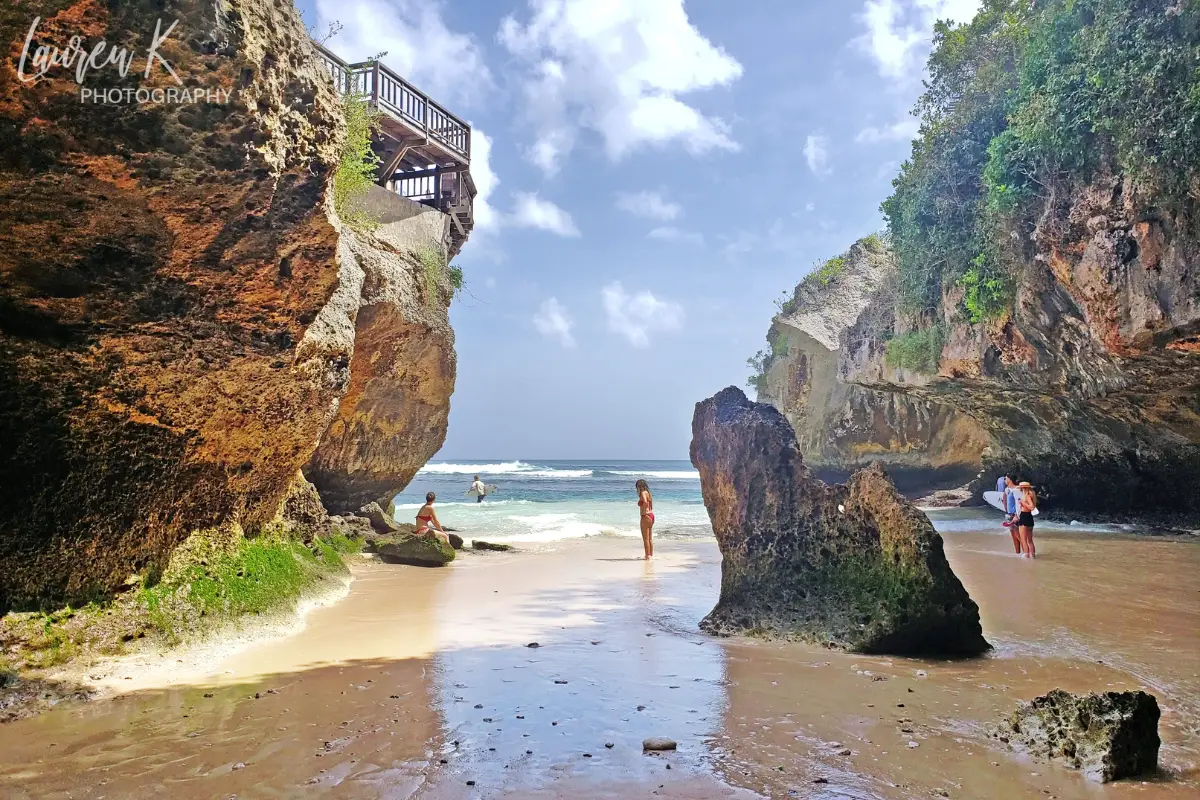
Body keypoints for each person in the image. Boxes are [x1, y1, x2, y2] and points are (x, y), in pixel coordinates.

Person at [1016, 481, 1037, 559]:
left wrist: (1022, 503)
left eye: (1021, 488)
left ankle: (1026, 555)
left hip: (1024, 516)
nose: (1020, 490)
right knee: (1030, 540)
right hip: (1029, 517)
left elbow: (1032, 507)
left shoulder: (1027, 496)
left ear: (1023, 488)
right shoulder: (1031, 495)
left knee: (1023, 539)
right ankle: (1033, 556)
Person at [635, 479, 655, 560]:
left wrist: (643, 510)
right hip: (651, 515)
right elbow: (651, 506)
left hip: (645, 516)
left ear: (639, 486)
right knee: (649, 539)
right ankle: (650, 555)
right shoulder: (648, 493)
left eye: (637, 487)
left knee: (645, 539)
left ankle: (647, 556)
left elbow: (645, 502)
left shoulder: (643, 493)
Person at [1003, 474, 1022, 554]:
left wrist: (1016, 514)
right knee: (1014, 536)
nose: (1005, 480)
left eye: (1006, 478)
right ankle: (1017, 553)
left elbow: (1020, 502)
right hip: (1009, 514)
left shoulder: (1017, 489)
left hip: (1015, 515)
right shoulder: (1007, 489)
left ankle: (1027, 552)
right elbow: (1004, 500)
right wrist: (1007, 511)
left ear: (1010, 479)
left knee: (1018, 535)